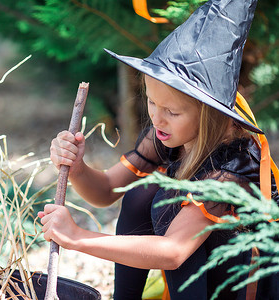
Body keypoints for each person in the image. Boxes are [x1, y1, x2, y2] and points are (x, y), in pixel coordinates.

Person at [37, 0, 278, 299]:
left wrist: (78, 237)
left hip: (239, 290)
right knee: (142, 194)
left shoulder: (231, 170)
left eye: (172, 112)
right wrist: (77, 168)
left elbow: (173, 251)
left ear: (211, 113)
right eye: (152, 102)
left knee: (168, 200)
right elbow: (107, 191)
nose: (157, 117)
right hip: (198, 281)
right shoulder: (169, 135)